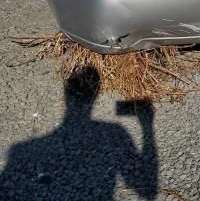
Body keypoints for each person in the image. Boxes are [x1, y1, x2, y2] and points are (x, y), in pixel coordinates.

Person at [0, 66, 158, 200]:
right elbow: (146, 190)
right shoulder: (115, 132)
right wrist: (147, 126)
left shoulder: (19, 150)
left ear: (67, 95)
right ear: (96, 94)